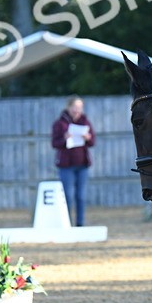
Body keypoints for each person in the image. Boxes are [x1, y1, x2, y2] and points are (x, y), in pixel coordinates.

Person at [51, 95, 94, 226]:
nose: (77, 110)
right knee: (67, 196)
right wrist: (64, 138)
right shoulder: (59, 124)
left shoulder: (85, 122)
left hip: (82, 165)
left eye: (80, 107)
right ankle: (67, 223)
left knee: (81, 196)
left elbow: (92, 142)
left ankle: (80, 224)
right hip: (66, 166)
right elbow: (54, 143)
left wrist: (87, 138)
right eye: (75, 107)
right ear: (68, 107)